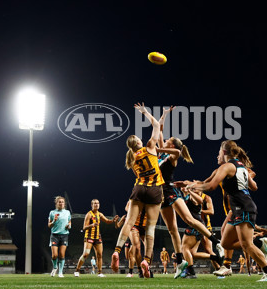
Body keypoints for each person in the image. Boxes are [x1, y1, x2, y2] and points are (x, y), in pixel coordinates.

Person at [178, 140, 267, 282]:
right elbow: (254, 187)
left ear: (224, 152)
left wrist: (192, 188)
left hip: (243, 207)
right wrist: (193, 185)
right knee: (225, 243)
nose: (217, 154)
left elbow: (211, 186)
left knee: (246, 245)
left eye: (219, 151)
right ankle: (257, 243)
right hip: (238, 209)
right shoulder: (240, 166)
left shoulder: (227, 167)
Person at [156, 106, 224, 278]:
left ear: (171, 145)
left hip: (170, 190)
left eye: (167, 142)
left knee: (188, 219)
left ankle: (217, 242)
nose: (164, 142)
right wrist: (164, 114)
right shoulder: (164, 154)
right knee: (172, 229)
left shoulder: (172, 155)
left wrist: (157, 150)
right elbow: (159, 130)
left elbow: (177, 151)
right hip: (160, 194)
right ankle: (181, 263)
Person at [110, 103, 165, 278]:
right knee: (151, 228)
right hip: (154, 188)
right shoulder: (149, 146)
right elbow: (157, 126)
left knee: (129, 222)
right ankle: (146, 261)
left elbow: (138, 174)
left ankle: (117, 251)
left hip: (139, 188)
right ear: (139, 142)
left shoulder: (132, 159)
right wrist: (145, 113)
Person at [179, 188, 223, 279]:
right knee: (192, 254)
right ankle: (216, 258)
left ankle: (191, 272)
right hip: (198, 226)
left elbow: (204, 204)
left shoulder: (199, 197)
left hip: (199, 226)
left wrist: (200, 210)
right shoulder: (187, 196)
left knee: (185, 248)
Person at [75, 199, 117, 277]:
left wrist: (113, 220)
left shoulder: (100, 214)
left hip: (98, 237)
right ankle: (77, 270)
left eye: (97, 203)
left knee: (100, 255)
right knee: (86, 254)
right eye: (94, 203)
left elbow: (107, 221)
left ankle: (100, 273)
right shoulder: (89, 214)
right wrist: (92, 225)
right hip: (89, 236)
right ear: (92, 205)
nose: (96, 205)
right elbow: (84, 227)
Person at [48, 196, 71, 277]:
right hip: (54, 235)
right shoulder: (52, 212)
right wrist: (54, 220)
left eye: (62, 202)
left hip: (64, 235)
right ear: (56, 203)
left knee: (62, 254)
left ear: (64, 204)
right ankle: (55, 267)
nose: (61, 203)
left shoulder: (67, 212)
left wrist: (69, 226)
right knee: (54, 255)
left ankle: (60, 272)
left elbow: (69, 222)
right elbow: (49, 225)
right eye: (59, 202)